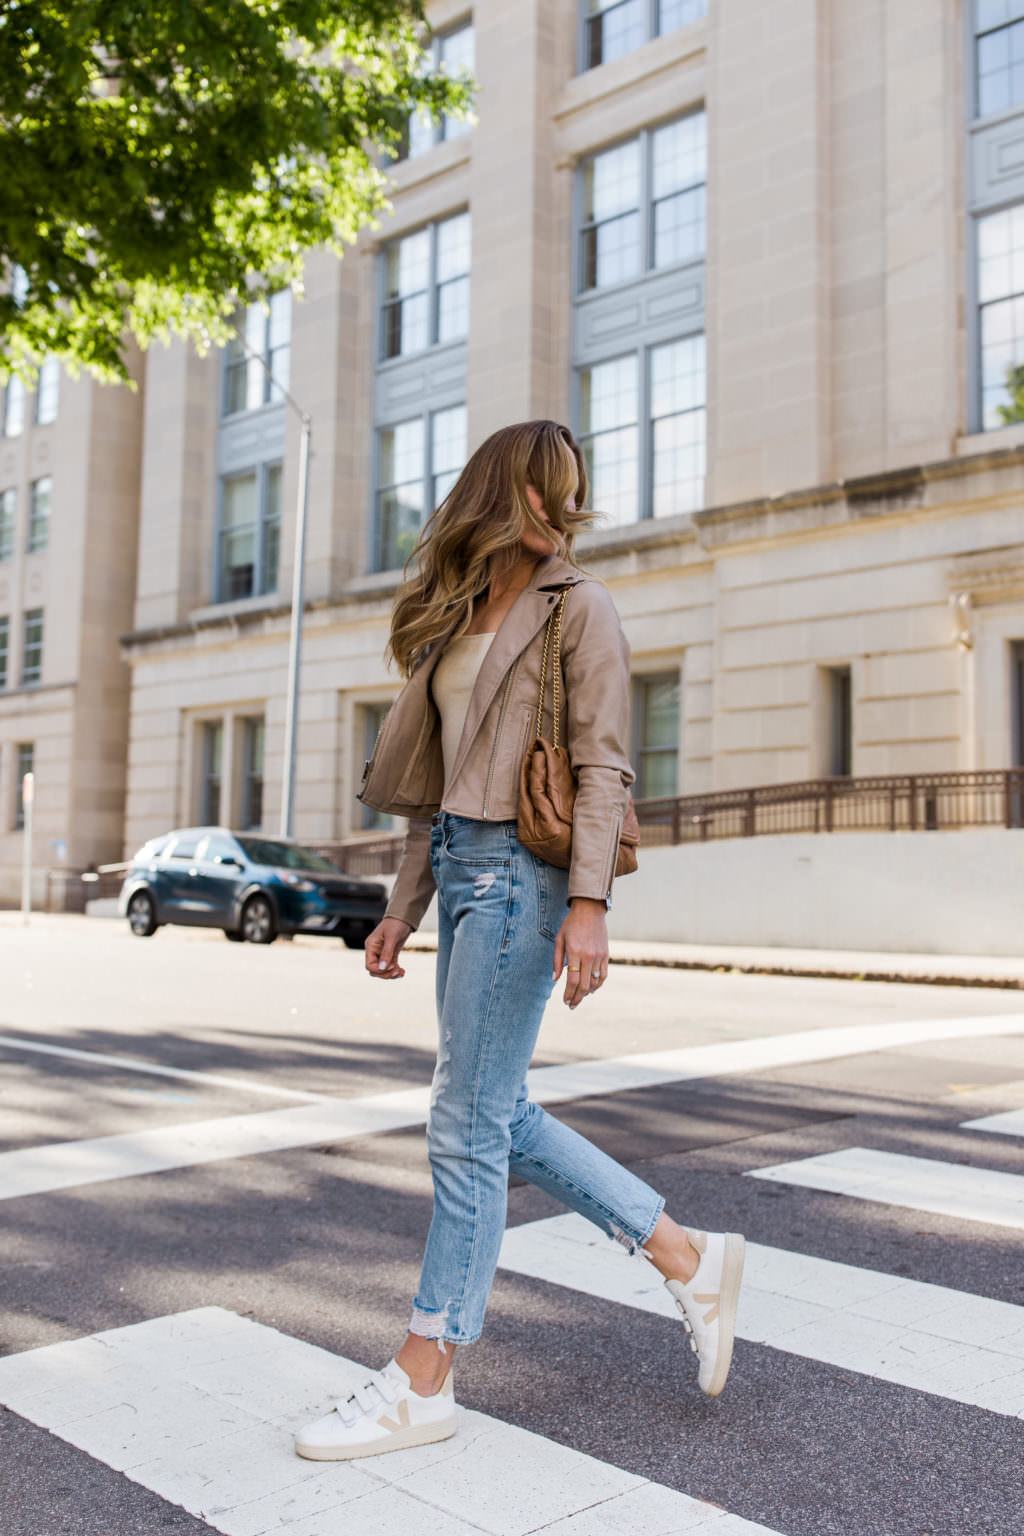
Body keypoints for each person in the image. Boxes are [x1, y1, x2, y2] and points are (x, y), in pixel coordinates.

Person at [295, 420, 745, 1462]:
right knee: (495, 1113)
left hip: (520, 878)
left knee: (462, 1128)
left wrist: (589, 902)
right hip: (458, 869)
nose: (569, 509)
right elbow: (426, 785)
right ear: (507, 492)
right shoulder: (454, 613)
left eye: (576, 492)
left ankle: (426, 1373)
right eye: (552, 491)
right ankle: (688, 1259)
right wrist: (401, 905)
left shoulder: (577, 608)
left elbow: (603, 764)